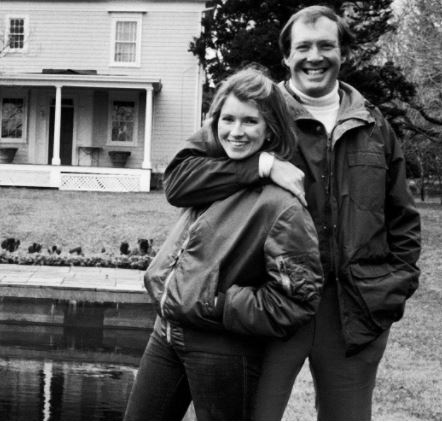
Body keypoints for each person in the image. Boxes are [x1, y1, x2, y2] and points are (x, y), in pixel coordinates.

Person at [162, 5, 421, 421]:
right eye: (303, 46)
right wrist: (262, 165)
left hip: (353, 313)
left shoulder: (374, 124)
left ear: (343, 53)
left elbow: (403, 219)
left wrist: (394, 289)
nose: (314, 56)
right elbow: (179, 179)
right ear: (286, 56)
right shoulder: (259, 112)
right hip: (274, 303)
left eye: (325, 45)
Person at [124, 67, 323, 421]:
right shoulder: (212, 174)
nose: (236, 131)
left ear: (271, 128)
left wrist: (218, 305)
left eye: (250, 121)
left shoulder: (283, 205)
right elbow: (176, 184)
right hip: (166, 334)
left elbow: (296, 300)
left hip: (222, 349)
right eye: (227, 119)